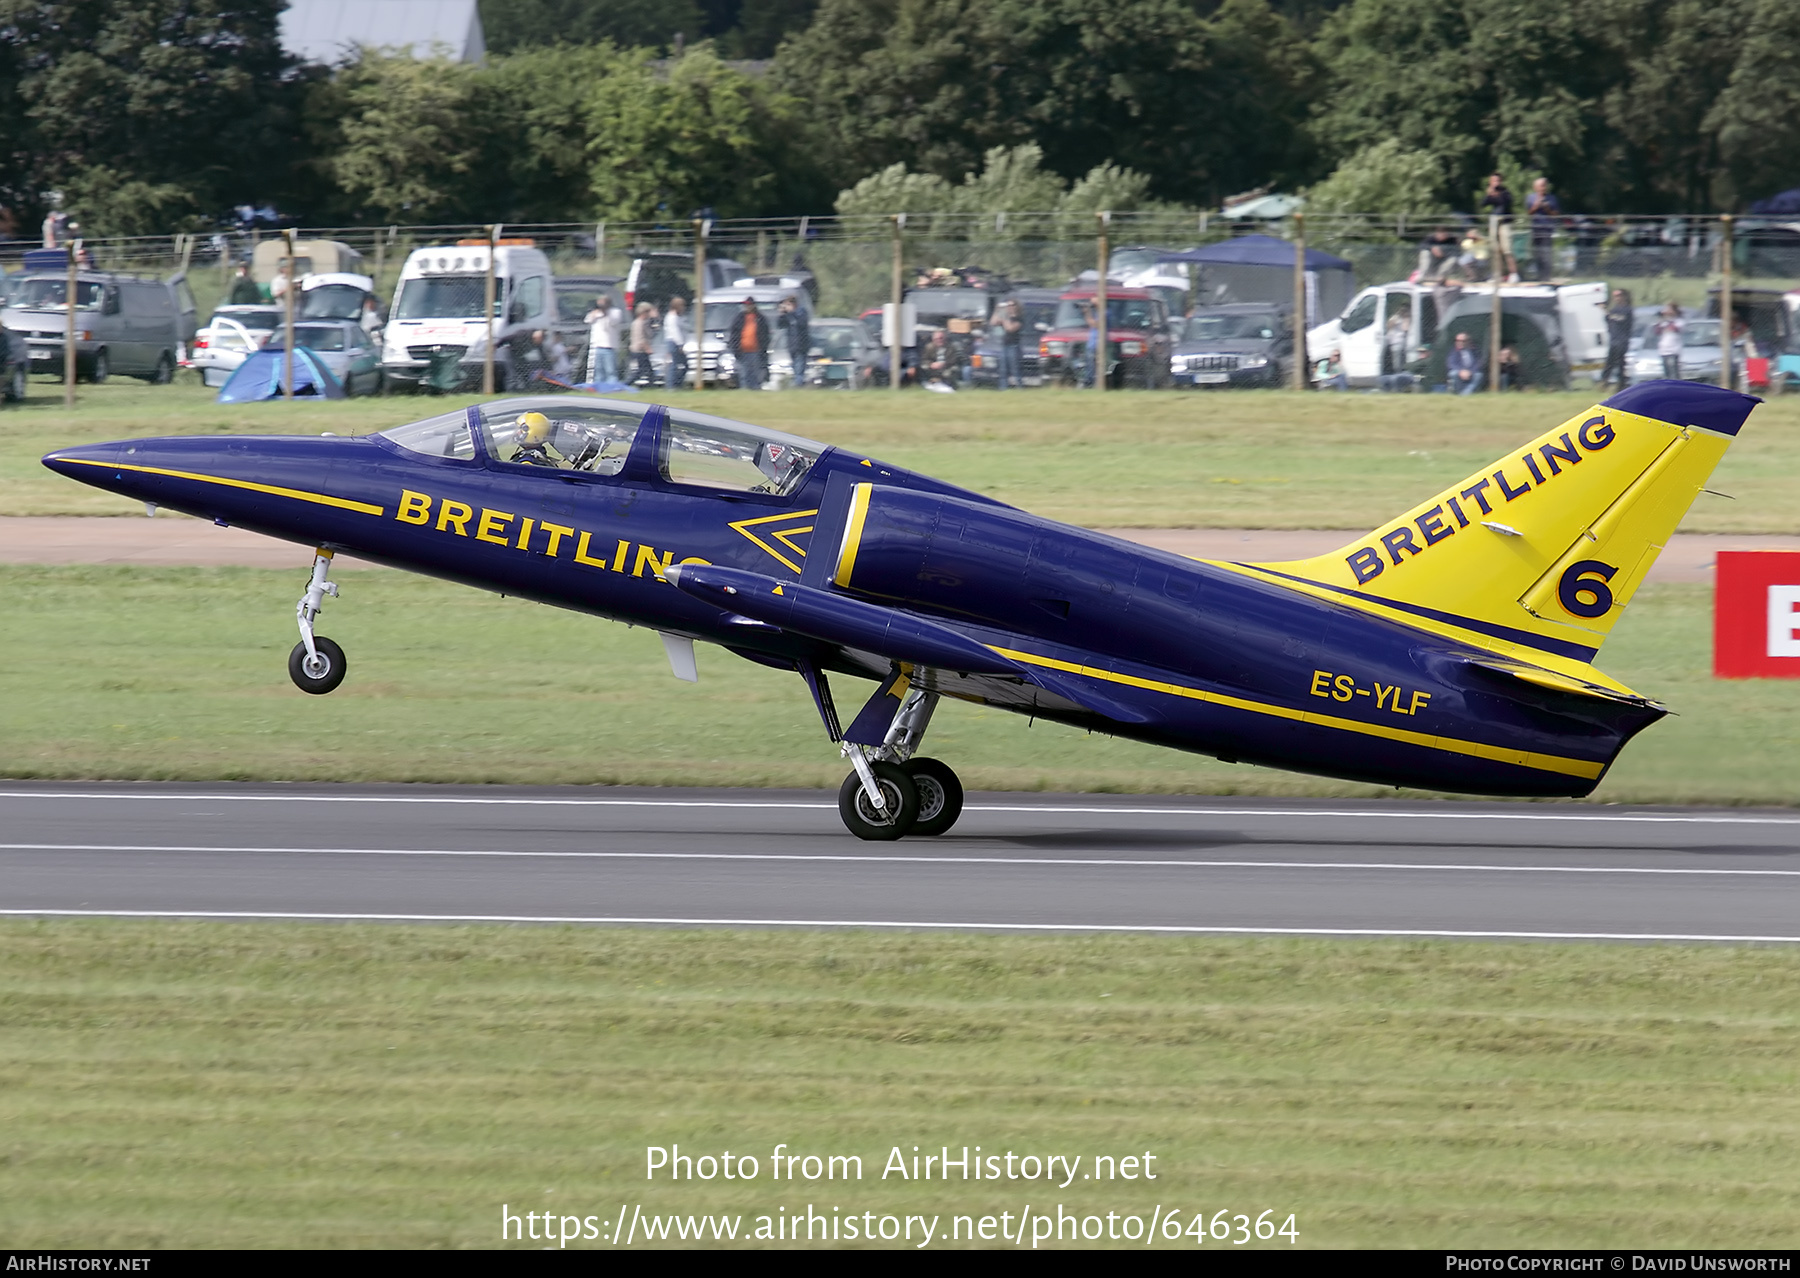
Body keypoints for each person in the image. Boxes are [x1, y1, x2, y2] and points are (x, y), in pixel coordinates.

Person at [727, 296, 768, 390]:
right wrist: (735, 348)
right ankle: (745, 389)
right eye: (746, 305)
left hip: (756, 350)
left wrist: (763, 349)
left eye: (749, 305)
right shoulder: (739, 318)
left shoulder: (760, 318)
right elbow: (734, 334)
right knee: (744, 374)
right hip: (742, 351)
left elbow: (765, 335)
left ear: (754, 305)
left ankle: (755, 389)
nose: (747, 307)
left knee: (755, 373)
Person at [1525, 177, 1562, 281]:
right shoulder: (1530, 198)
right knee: (1537, 253)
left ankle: (1547, 276)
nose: (1543, 188)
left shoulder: (1552, 198)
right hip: (1535, 229)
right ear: (1536, 187)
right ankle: (1539, 275)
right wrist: (1536, 206)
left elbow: (1556, 214)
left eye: (1545, 185)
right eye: (1541, 185)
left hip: (1547, 229)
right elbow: (1529, 213)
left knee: (1546, 253)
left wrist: (1547, 208)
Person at [585, 294, 622, 384]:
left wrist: (605, 312)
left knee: (610, 370)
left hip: (609, 346)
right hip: (597, 345)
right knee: (598, 370)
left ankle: (612, 386)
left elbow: (613, 322)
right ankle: (599, 387)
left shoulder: (615, 312)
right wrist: (595, 313)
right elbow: (587, 320)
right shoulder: (595, 312)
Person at [775, 295, 809, 388]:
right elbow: (780, 325)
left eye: (788, 304)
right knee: (795, 367)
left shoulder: (801, 312)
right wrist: (782, 314)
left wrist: (791, 313)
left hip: (801, 345)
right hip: (791, 345)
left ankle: (798, 385)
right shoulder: (788, 315)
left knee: (799, 367)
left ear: (794, 304)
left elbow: (801, 323)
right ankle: (798, 383)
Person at [1603, 288, 1633, 390]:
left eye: (1618, 295)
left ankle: (1621, 385)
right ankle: (1604, 382)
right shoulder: (1614, 310)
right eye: (1615, 296)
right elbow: (1609, 321)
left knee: (1620, 363)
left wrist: (1608, 314)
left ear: (1624, 296)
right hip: (1613, 339)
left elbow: (1621, 319)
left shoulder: (1627, 309)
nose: (1616, 298)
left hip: (1622, 340)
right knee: (1609, 363)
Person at [663, 294, 689, 391]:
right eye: (682, 306)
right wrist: (680, 344)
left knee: (682, 365)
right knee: (674, 364)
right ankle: (671, 386)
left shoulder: (678, 317)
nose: (683, 308)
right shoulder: (672, 317)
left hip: (676, 342)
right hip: (673, 343)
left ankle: (677, 384)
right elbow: (675, 332)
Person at [629, 301, 658, 386]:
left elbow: (651, 333)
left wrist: (655, 318)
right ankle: (627, 383)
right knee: (642, 370)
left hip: (641, 350)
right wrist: (647, 348)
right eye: (648, 312)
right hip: (639, 351)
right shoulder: (639, 323)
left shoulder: (644, 323)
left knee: (648, 371)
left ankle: (651, 386)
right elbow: (641, 339)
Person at [1652, 304, 1684, 379]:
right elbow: (1657, 331)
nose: (1666, 311)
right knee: (1666, 375)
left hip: (1673, 351)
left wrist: (1668, 320)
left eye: (1668, 309)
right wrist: (1660, 320)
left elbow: (1674, 328)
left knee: (1674, 374)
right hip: (1663, 351)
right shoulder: (1663, 322)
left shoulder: (1679, 321)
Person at [998, 299, 1024, 389]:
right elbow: (993, 322)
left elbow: (1010, 328)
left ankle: (1020, 388)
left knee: (1015, 370)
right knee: (1003, 370)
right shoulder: (1006, 316)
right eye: (1008, 305)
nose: (1010, 307)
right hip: (1004, 345)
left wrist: (1004, 317)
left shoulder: (1019, 318)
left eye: (1012, 305)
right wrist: (997, 310)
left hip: (1014, 346)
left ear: (1016, 306)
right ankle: (1003, 389)